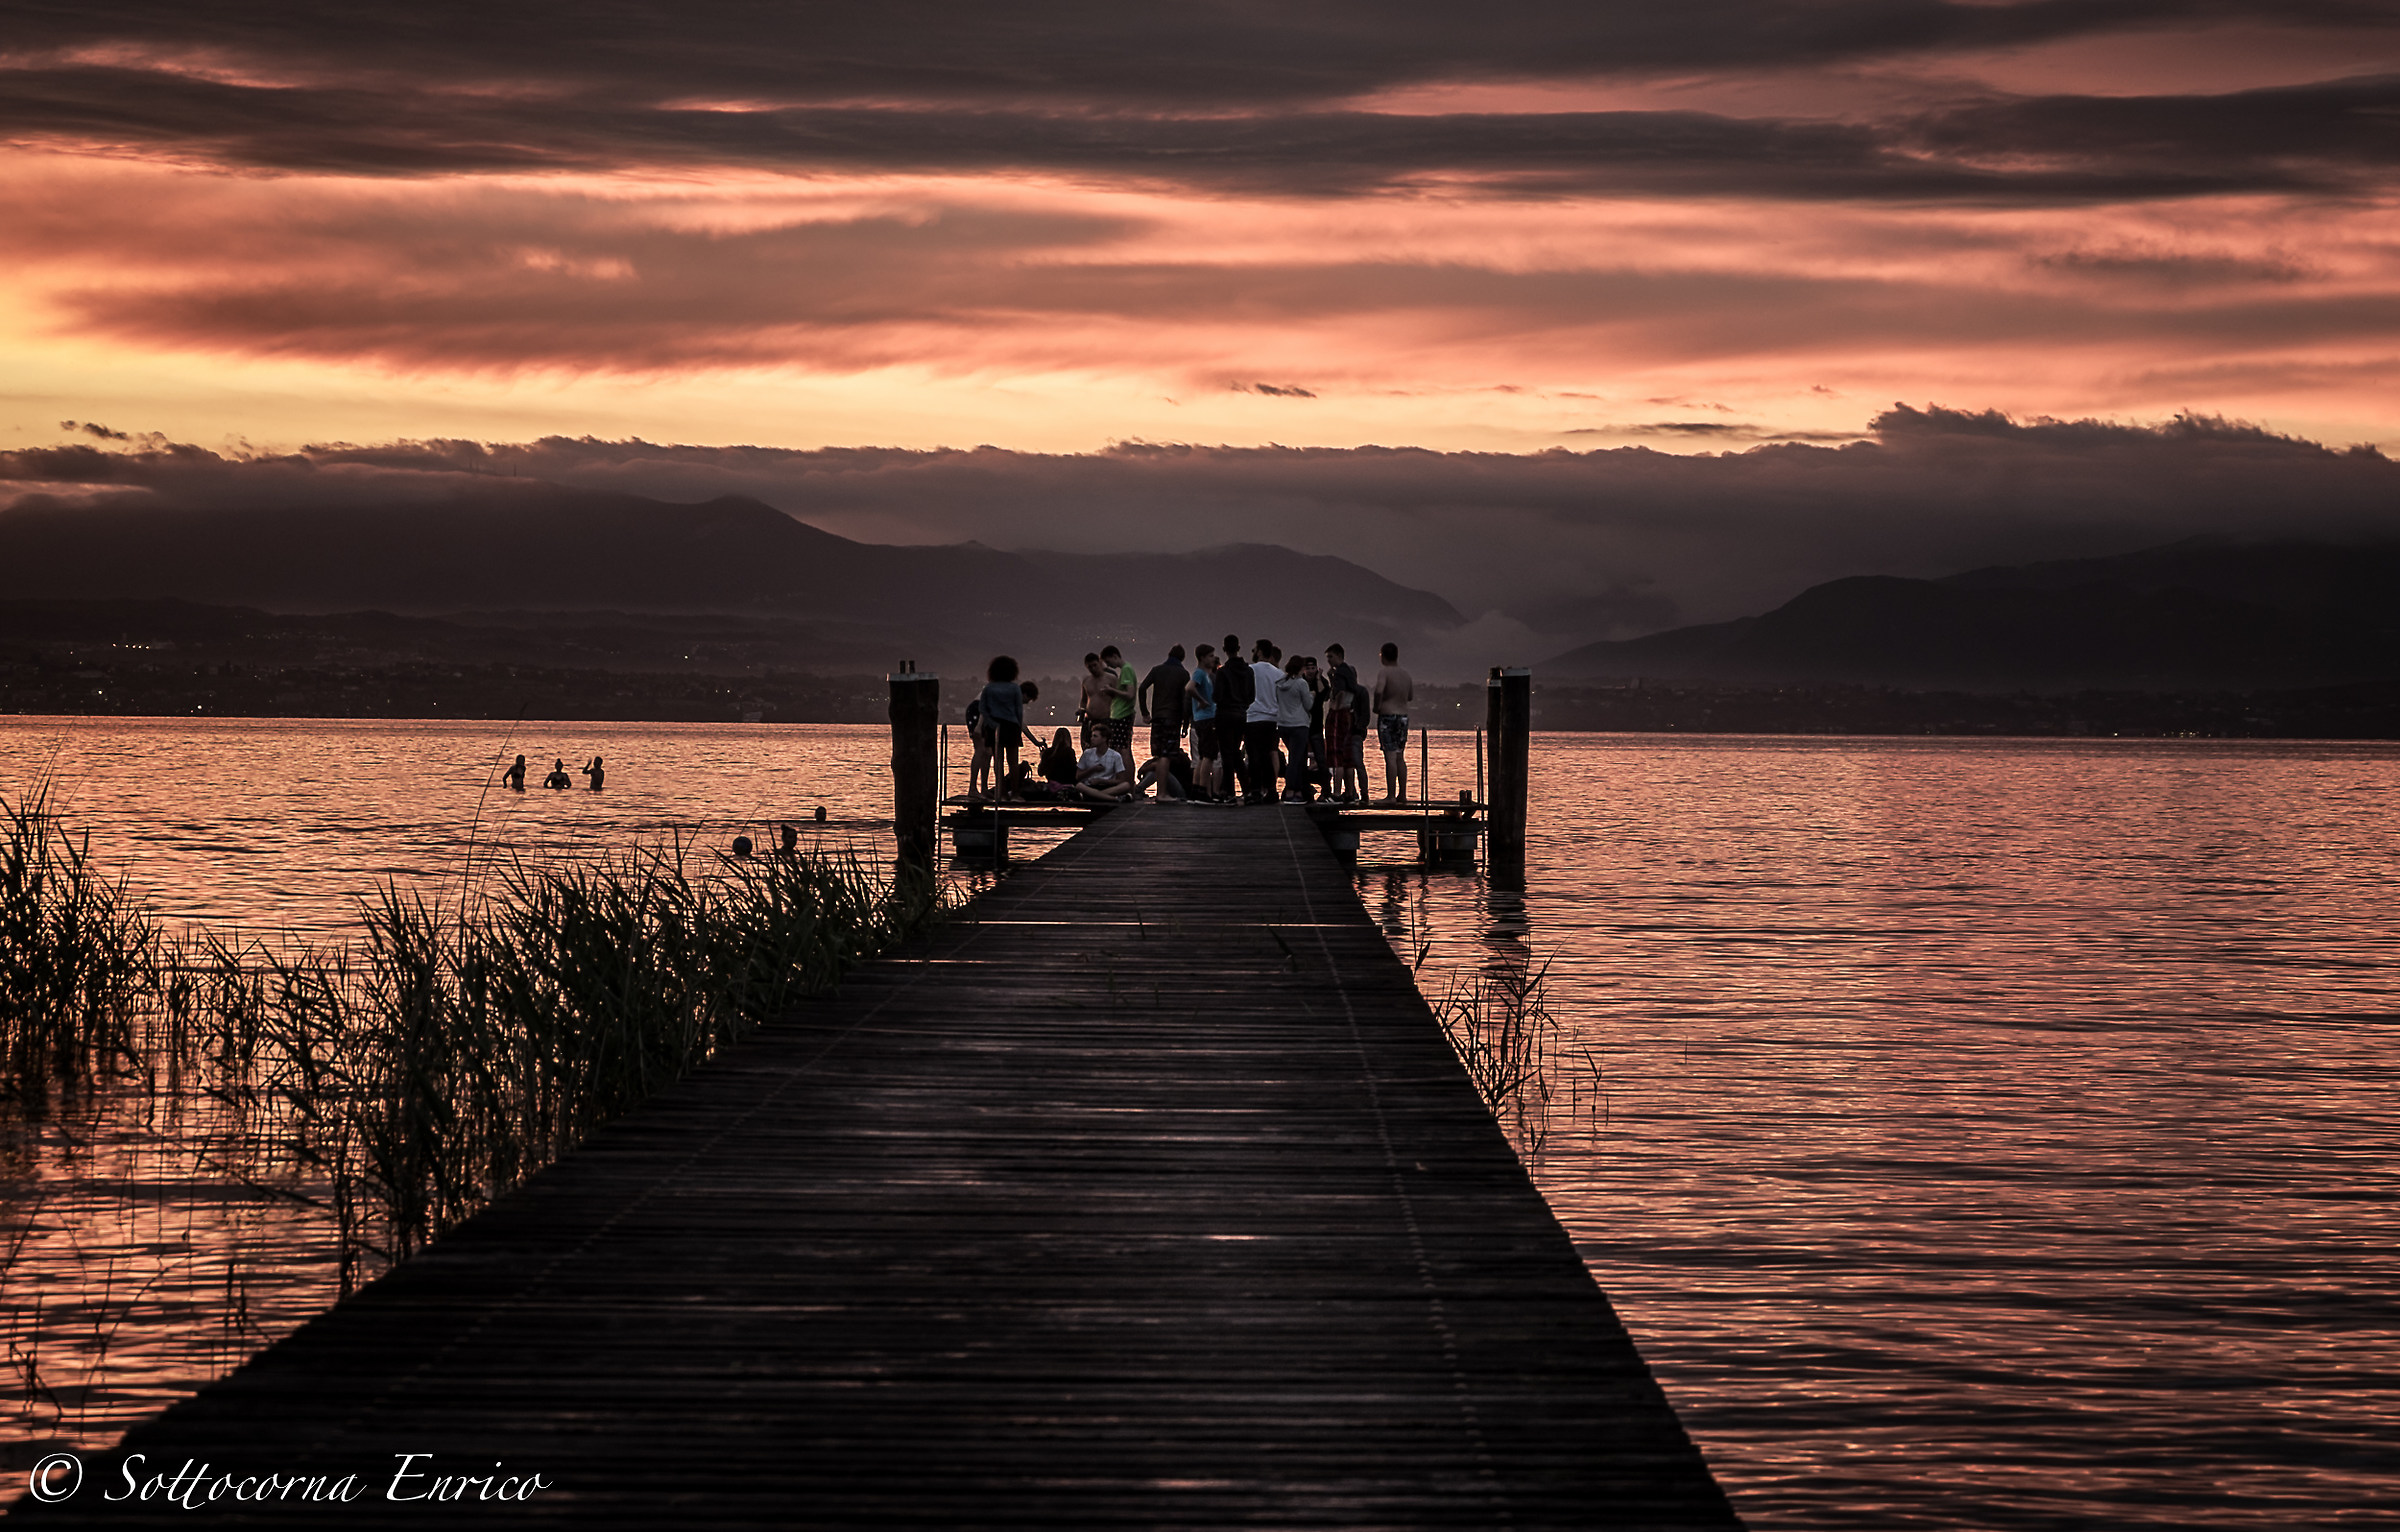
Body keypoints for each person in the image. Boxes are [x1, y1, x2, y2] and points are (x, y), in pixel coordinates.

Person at [977, 655, 1028, 799]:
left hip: (994, 727)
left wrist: (991, 722)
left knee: (998, 761)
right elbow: (1019, 710)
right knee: (1013, 761)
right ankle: (1016, 793)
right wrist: (1018, 726)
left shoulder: (989, 688)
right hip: (1011, 725)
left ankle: (1001, 793)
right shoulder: (1014, 688)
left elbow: (983, 708)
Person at [1138, 644, 1191, 772]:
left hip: (1157, 718)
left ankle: (1154, 784)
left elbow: (1142, 688)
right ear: (1182, 658)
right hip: (1173, 719)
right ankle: (1165, 788)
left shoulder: (1157, 670)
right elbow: (1185, 700)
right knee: (1169, 756)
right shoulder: (1183, 674)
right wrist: (1185, 724)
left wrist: (1145, 712)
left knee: (1158, 755)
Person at [1373, 641, 1415, 802]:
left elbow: (1378, 690)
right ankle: (1402, 794)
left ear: (1383, 656)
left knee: (1389, 757)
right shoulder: (1405, 674)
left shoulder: (1384, 672)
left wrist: (1377, 706)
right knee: (1399, 756)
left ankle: (1391, 795)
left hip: (1388, 715)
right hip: (1403, 716)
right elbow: (1410, 696)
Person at [1214, 634, 1254, 801]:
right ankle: (1247, 788)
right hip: (1241, 714)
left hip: (1224, 714)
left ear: (1224, 649)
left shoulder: (1222, 672)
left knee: (1226, 753)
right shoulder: (1248, 671)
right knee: (1236, 752)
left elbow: (1217, 696)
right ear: (1238, 648)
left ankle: (1229, 791)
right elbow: (1252, 696)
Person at [1244, 639, 1283, 805]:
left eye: (1254, 649)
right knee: (1268, 755)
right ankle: (1271, 790)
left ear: (1259, 651)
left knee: (1253, 756)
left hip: (1252, 718)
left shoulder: (1249, 671)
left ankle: (1255, 790)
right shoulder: (1279, 674)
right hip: (1272, 720)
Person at [1324, 644, 1364, 803]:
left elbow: (1340, 692)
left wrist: (1335, 706)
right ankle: (1349, 793)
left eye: (1330, 657)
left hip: (1339, 714)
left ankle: (1336, 793)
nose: (1328, 660)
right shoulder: (1349, 672)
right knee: (1347, 758)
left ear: (1338, 656)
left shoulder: (1340, 671)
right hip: (1348, 715)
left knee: (1336, 756)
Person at [1274, 653, 1315, 801]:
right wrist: (1312, 695)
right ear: (1301, 668)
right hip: (1299, 725)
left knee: (1294, 757)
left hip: (1283, 724)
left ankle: (1297, 791)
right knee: (1295, 760)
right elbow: (1308, 705)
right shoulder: (1301, 683)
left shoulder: (1279, 683)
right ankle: (1292, 791)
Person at [1186, 645, 1222, 800]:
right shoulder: (1199, 673)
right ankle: (1202, 790)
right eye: (1210, 656)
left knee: (1202, 756)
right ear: (1202, 658)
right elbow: (1189, 688)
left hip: (1202, 719)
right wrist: (1202, 701)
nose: (1213, 658)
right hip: (1206, 719)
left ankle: (1196, 789)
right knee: (1209, 756)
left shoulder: (1205, 674)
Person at [1099, 644, 1137, 773]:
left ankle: (1126, 780)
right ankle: (1124, 780)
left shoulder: (1126, 669)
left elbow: (1130, 694)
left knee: (1123, 749)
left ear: (1114, 656)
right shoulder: (1126, 670)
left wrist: (1112, 690)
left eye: (1109, 662)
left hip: (1122, 715)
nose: (1109, 666)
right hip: (1120, 714)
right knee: (1121, 748)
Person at [1075, 720, 1135, 800]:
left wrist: (1101, 781)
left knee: (1126, 785)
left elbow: (1121, 780)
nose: (1092, 739)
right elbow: (1078, 776)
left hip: (1107, 786)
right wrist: (1092, 769)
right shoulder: (1087, 753)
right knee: (1079, 786)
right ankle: (1113, 799)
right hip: (1090, 786)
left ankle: (1095, 796)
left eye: (1095, 736)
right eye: (1092, 736)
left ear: (1104, 739)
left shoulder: (1115, 756)